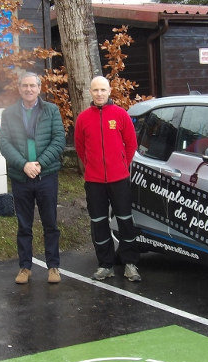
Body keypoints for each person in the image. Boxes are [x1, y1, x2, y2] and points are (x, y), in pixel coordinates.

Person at [0, 72, 66, 284]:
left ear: (39, 88)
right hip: (21, 176)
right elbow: (4, 143)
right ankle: (24, 267)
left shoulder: (51, 110)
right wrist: (24, 164)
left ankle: (53, 266)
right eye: (25, 86)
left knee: (50, 223)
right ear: (19, 89)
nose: (29, 89)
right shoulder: (9, 113)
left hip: (45, 175)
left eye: (33, 86)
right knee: (24, 224)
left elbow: (58, 140)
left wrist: (40, 163)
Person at [74, 76, 141, 282]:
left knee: (125, 220)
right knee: (99, 222)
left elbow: (131, 144)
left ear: (110, 90)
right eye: (95, 90)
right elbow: (80, 147)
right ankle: (105, 264)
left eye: (103, 89)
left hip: (119, 179)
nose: (99, 94)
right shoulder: (83, 118)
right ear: (90, 92)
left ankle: (130, 263)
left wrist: (121, 165)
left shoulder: (120, 115)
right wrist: (92, 166)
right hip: (94, 181)